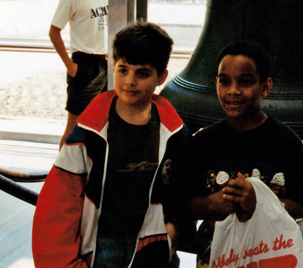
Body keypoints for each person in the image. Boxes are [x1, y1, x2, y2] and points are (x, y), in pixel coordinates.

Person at [33, 21, 191, 268]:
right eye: (123, 69)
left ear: (161, 77)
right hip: (99, 249)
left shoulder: (174, 134)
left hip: (152, 251)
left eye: (143, 73)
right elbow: (59, 205)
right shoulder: (88, 135)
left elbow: (179, 190)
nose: (130, 81)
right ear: (113, 67)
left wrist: (172, 225)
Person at [187, 41, 303, 267]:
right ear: (216, 84)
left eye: (245, 81)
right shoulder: (204, 142)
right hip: (216, 256)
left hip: (267, 255)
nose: (233, 90)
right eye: (224, 81)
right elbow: (184, 201)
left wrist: (261, 204)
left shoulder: (285, 142)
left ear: (265, 86)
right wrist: (212, 204)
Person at [50, 0, 109, 148]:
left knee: (100, 123)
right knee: (75, 124)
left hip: (107, 64)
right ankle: (62, 174)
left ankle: (89, 169)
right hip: (84, 64)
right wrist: (70, 65)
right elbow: (54, 31)